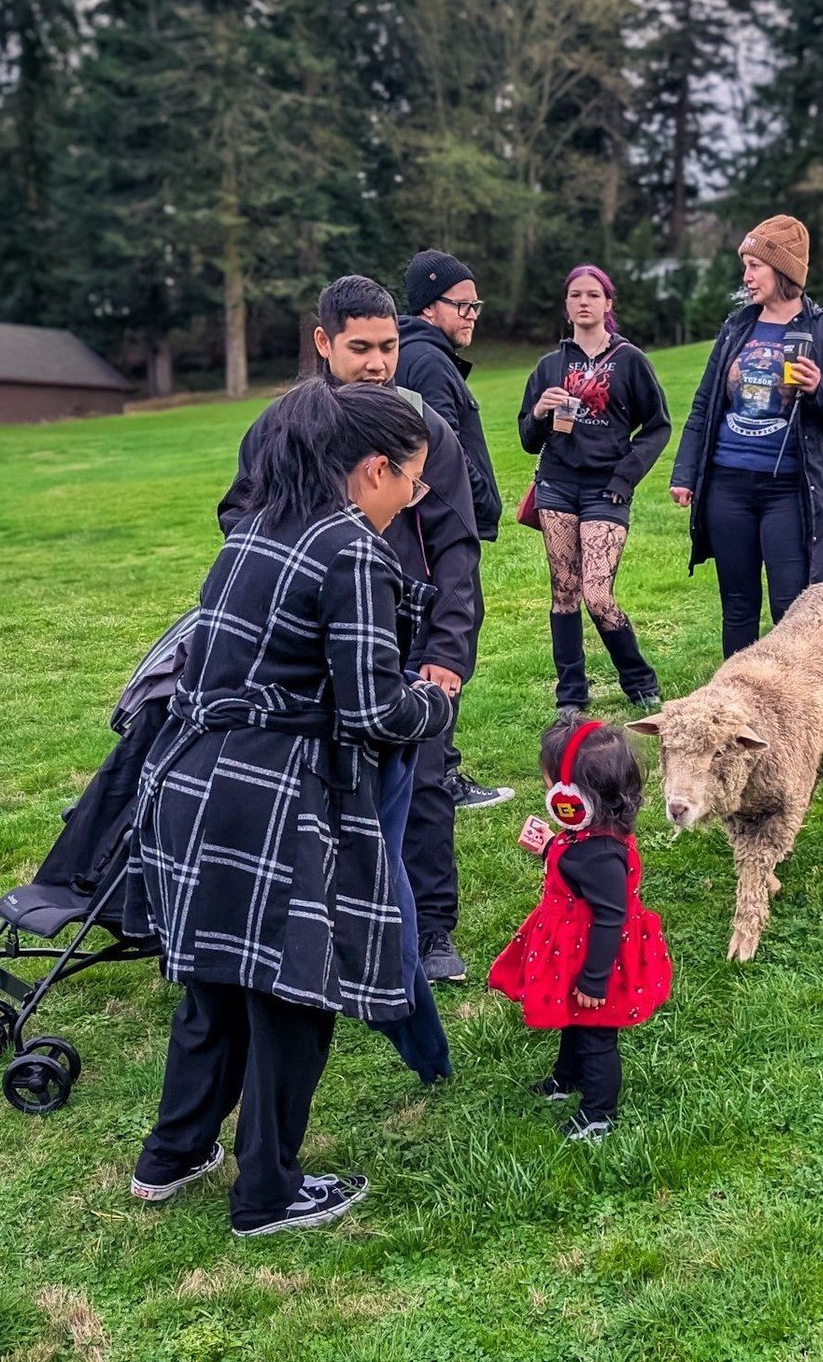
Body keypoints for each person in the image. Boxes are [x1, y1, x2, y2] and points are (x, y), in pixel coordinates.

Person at [126, 378, 454, 1236]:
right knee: (295, 993)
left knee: (215, 986)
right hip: (275, 797)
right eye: (411, 483)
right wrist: (435, 701)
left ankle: (171, 1155)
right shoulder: (348, 548)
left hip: (191, 782)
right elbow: (373, 710)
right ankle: (267, 1192)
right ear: (375, 468)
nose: (410, 501)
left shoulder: (255, 528)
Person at [218, 276, 482, 984]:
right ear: (323, 342)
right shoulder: (281, 428)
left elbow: (458, 546)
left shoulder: (422, 429)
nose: (376, 363)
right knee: (316, 786)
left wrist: (448, 650)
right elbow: (238, 522)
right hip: (307, 645)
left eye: (388, 347)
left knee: (423, 777)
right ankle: (314, 928)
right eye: (359, 347)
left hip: (406, 641)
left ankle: (428, 931)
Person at [668, 215, 823, 658]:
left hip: (788, 493)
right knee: (737, 607)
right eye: (746, 265)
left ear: (784, 270)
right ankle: (738, 704)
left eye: (755, 265)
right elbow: (705, 404)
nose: (747, 276)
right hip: (727, 487)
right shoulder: (738, 326)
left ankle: (791, 705)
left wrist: (819, 390)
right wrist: (685, 473)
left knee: (790, 608)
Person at [488, 720, 672, 1141]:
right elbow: (576, 860)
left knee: (595, 1035)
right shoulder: (588, 836)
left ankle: (598, 1114)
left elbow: (612, 917)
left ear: (572, 798)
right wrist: (550, 845)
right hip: (573, 949)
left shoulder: (601, 856)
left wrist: (594, 979)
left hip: (595, 959)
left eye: (550, 782)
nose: (547, 789)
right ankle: (567, 1078)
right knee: (572, 1021)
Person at [517, 264, 672, 717]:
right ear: (567, 307)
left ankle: (640, 682)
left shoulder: (630, 360)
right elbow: (528, 439)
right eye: (575, 296)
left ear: (608, 304)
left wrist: (625, 476)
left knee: (598, 595)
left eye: (593, 295)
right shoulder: (549, 366)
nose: (583, 302)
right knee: (564, 590)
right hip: (558, 486)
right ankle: (571, 696)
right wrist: (540, 413)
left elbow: (658, 427)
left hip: (607, 489)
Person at [396, 248, 512, 811]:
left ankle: (430, 769)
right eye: (461, 305)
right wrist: (477, 500)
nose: (471, 315)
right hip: (435, 533)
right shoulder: (428, 361)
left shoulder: (423, 355)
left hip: (424, 529)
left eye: (475, 306)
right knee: (445, 639)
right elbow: (443, 453)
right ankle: (437, 777)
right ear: (428, 306)